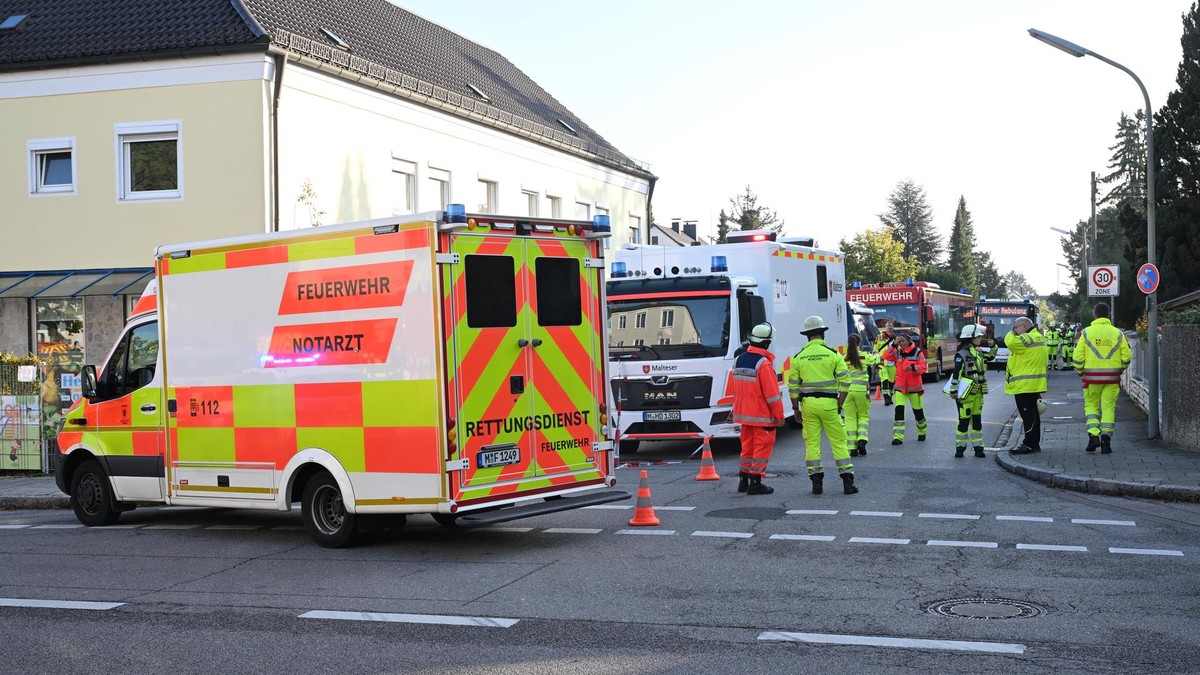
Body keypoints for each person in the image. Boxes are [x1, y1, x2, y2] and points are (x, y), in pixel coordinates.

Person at [788, 315, 856, 495]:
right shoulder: (833, 355)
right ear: (823, 334)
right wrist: (839, 403)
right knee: (839, 442)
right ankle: (847, 482)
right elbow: (845, 382)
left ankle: (816, 483)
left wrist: (795, 409)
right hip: (830, 403)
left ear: (807, 336)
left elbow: (793, 387)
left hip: (808, 405)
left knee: (812, 443)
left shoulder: (798, 357)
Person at [731, 322, 785, 495]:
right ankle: (755, 482)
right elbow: (772, 395)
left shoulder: (738, 360)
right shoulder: (763, 364)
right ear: (766, 343)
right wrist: (779, 416)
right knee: (762, 446)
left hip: (744, 414)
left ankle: (743, 480)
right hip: (761, 415)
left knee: (747, 447)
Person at [1072, 303, 1131, 453]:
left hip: (1091, 379)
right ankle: (1106, 441)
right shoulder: (1118, 333)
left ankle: (1093, 437)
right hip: (1112, 379)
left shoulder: (1085, 333)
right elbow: (1127, 357)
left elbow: (1077, 358)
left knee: (1091, 407)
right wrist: (1119, 369)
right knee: (1108, 409)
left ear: (1094, 314)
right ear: (1109, 314)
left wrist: (1081, 371)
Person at [1005, 316, 1048, 454]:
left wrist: (1010, 332)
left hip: (1025, 385)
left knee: (1028, 416)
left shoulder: (1027, 338)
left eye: (1016, 327)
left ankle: (1029, 444)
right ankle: (1034, 444)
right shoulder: (1037, 336)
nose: (1015, 330)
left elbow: (1010, 342)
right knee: (1032, 415)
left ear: (1024, 326)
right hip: (1032, 383)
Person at [948, 324, 989, 458]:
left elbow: (991, 356)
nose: (980, 338)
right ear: (970, 338)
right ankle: (960, 448)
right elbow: (956, 373)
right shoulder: (961, 354)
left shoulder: (978, 352)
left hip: (978, 393)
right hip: (966, 395)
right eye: (978, 336)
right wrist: (953, 391)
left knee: (977, 421)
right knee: (964, 421)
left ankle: (978, 448)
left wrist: (993, 345)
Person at [881, 331, 928, 444]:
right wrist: (893, 344)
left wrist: (913, 367)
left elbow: (923, 367)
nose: (900, 343)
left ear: (908, 341)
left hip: (914, 388)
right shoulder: (897, 352)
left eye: (902, 341)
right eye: (899, 341)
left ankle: (922, 431)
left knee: (918, 412)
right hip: (900, 387)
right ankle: (898, 437)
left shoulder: (917, 352)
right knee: (899, 410)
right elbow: (885, 356)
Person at [843, 334, 879, 457]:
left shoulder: (843, 358)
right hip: (861, 391)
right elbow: (876, 360)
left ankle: (852, 448)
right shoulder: (864, 356)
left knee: (850, 419)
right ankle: (862, 440)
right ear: (859, 343)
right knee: (863, 416)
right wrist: (876, 354)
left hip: (847, 393)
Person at [874, 321, 897, 406]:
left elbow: (899, 350)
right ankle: (886, 398)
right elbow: (875, 350)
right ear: (885, 327)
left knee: (891, 381)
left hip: (892, 363)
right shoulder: (879, 337)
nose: (889, 327)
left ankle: (890, 396)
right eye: (888, 326)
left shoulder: (896, 338)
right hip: (882, 363)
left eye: (891, 326)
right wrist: (877, 360)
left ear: (893, 327)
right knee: (885, 380)